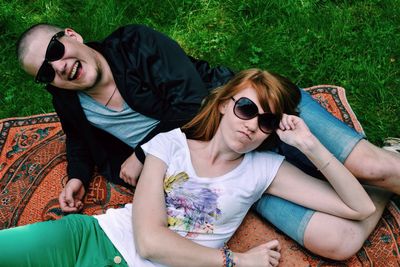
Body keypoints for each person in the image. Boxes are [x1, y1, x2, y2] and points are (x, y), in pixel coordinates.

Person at [16, 23, 400, 259]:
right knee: (338, 239)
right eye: (45, 72)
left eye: (55, 52)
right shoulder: (65, 96)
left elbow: (192, 102)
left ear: (71, 35)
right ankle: (371, 185)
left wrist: (141, 153)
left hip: (253, 113)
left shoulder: (135, 43)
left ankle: (379, 164)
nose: (59, 67)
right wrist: (77, 176)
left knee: (371, 167)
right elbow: (78, 139)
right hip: (225, 165)